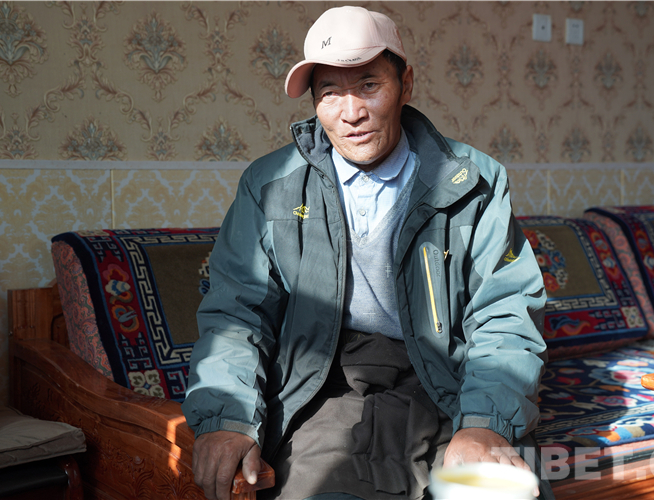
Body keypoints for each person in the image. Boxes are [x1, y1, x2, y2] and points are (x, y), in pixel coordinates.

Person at [182, 6, 551, 500]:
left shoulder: (473, 182)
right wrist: (227, 417)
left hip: (448, 381)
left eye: (369, 86)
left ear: (406, 84)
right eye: (330, 93)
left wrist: (485, 423)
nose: (350, 112)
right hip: (323, 386)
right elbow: (237, 312)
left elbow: (504, 311)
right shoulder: (270, 186)